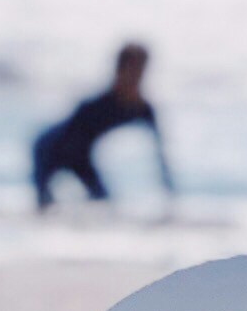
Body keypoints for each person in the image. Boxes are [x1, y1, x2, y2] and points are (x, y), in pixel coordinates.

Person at [31, 43, 173, 209]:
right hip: (48, 149)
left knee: (102, 202)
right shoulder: (94, 106)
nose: (135, 77)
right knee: (45, 206)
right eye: (131, 70)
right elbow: (69, 142)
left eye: (140, 72)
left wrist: (170, 195)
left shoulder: (142, 109)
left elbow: (160, 154)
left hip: (80, 155)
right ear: (118, 70)